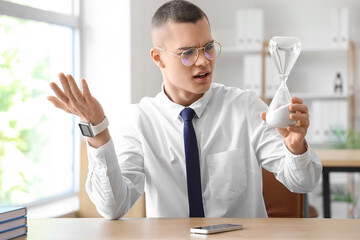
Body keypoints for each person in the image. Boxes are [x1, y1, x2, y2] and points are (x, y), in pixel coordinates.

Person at [47, 0, 322, 219]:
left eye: (209, 47)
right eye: (188, 53)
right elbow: (112, 207)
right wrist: (98, 131)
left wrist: (296, 147)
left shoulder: (245, 107)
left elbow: (304, 183)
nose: (204, 61)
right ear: (158, 58)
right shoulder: (139, 121)